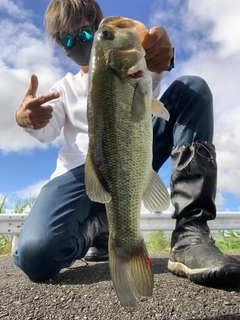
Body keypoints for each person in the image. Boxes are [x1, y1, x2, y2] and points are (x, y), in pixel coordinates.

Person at [14, 0, 240, 285]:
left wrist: (164, 56)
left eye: (85, 34)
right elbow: (46, 130)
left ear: (97, 29)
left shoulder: (135, 65)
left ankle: (190, 235)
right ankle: (97, 227)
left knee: (192, 89)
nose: (77, 43)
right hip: (80, 173)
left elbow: (155, 68)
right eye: (68, 39)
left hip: (135, 152)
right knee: (36, 256)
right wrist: (26, 118)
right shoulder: (62, 88)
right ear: (61, 46)